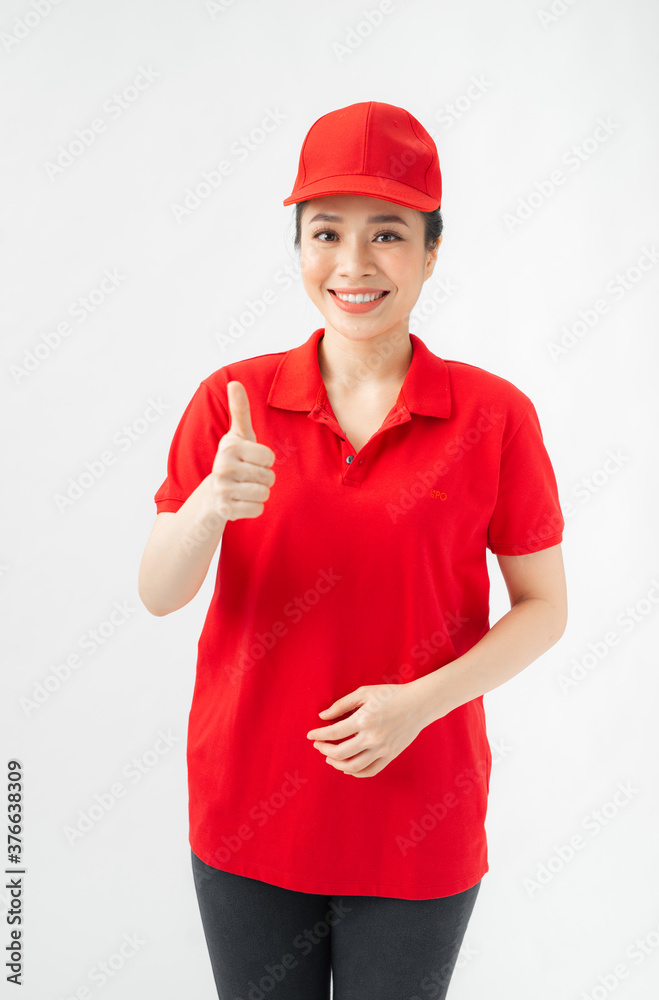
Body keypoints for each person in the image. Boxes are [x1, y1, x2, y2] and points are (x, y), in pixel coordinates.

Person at [138, 101, 568, 999]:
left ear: (430, 251)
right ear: (298, 247)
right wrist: (210, 506)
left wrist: (419, 703)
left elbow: (544, 609)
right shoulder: (232, 401)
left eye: (387, 233)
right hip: (247, 815)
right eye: (325, 232)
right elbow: (158, 591)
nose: (353, 263)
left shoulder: (494, 417)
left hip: (420, 821)